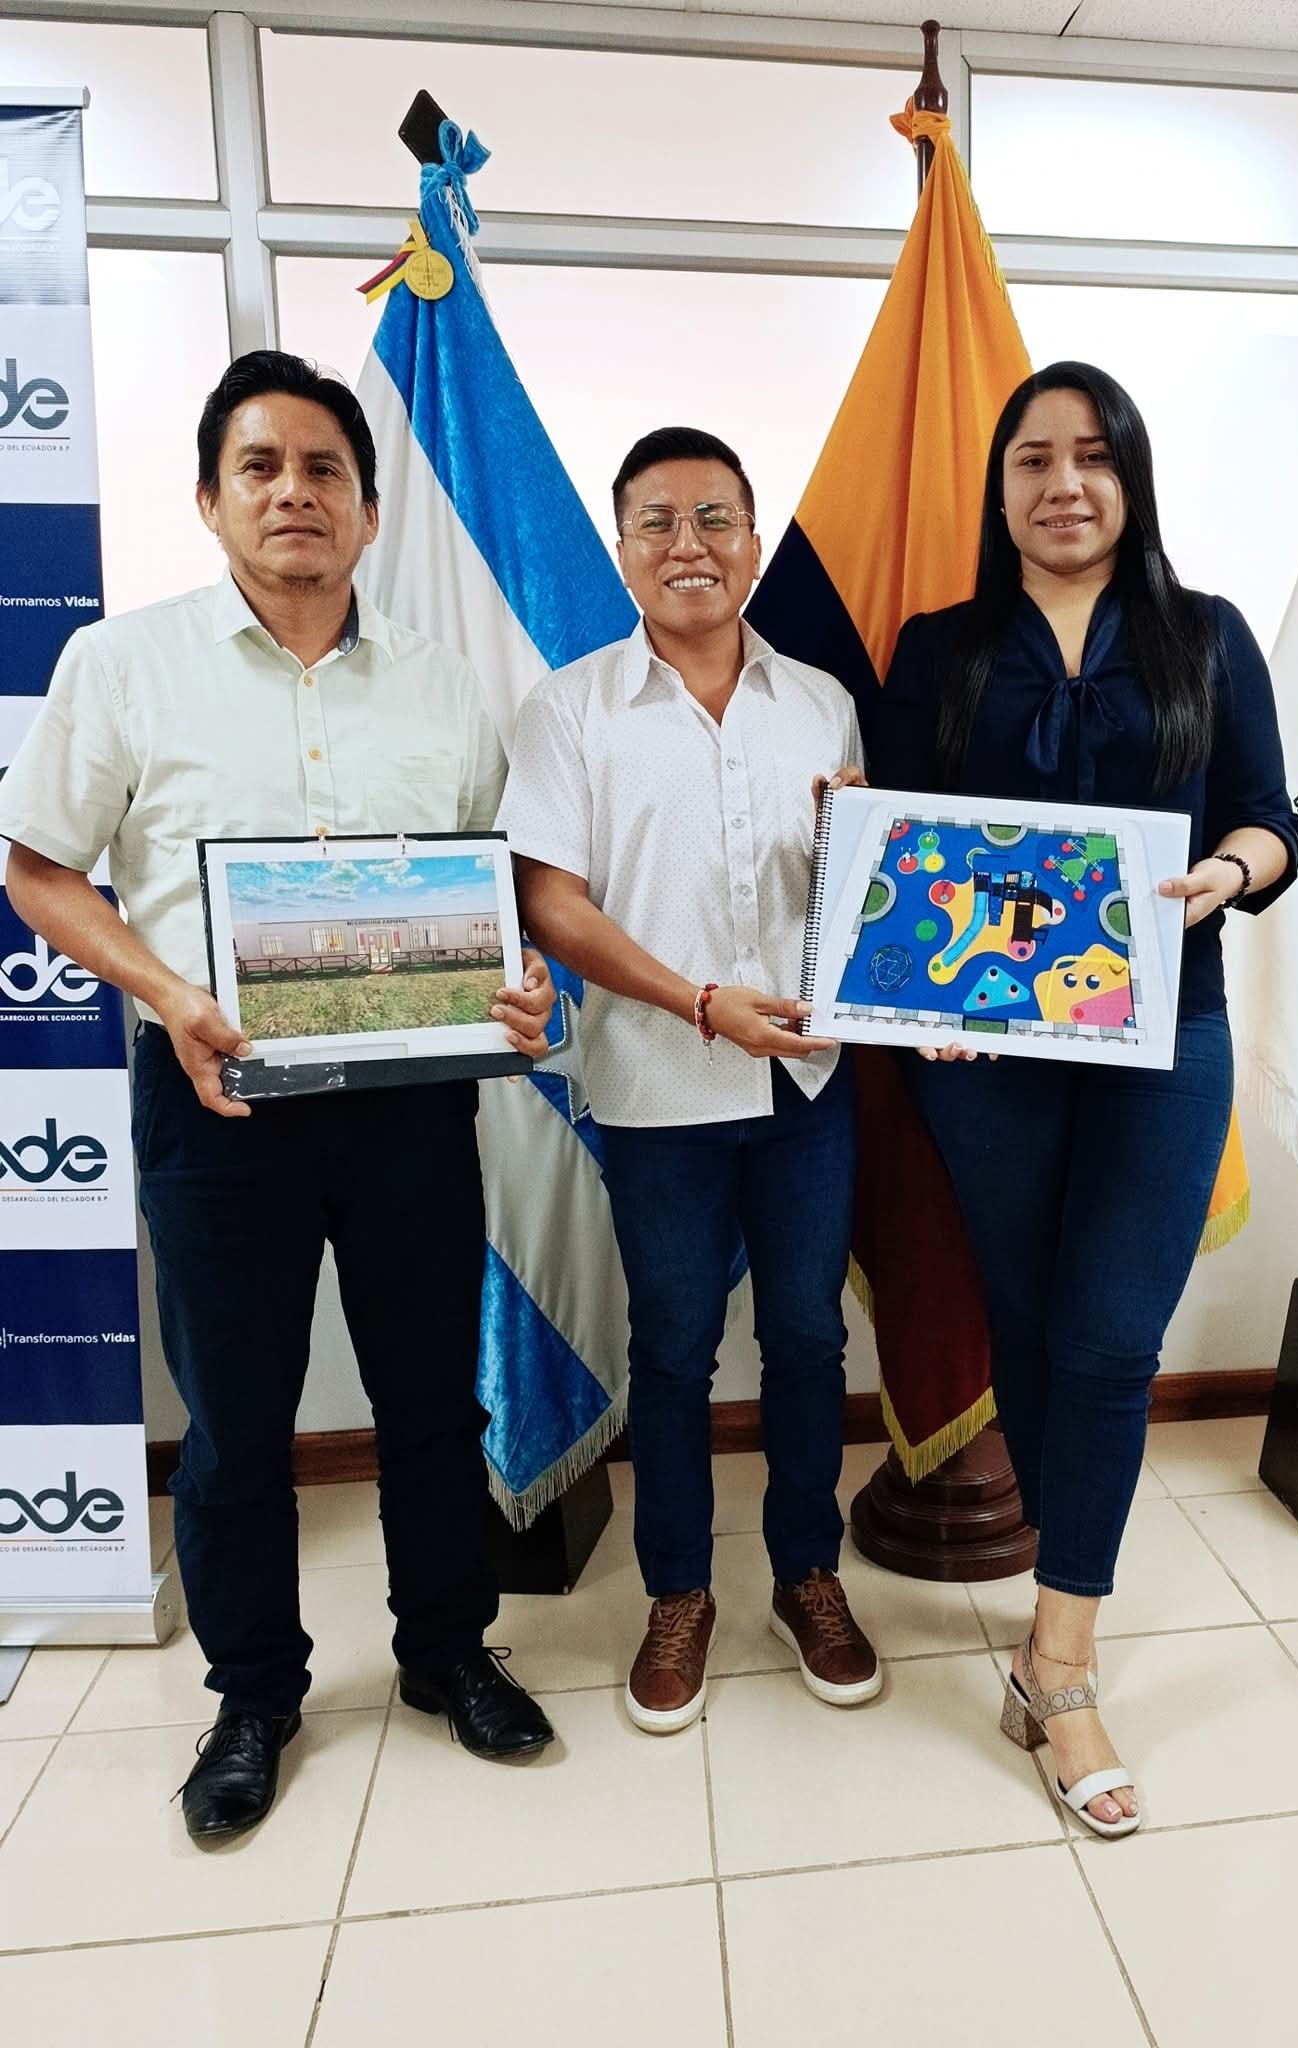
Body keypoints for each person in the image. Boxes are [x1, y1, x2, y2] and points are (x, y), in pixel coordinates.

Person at [0, 351, 555, 1845]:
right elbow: (39, 871)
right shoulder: (122, 665)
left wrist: (515, 985)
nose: (293, 492)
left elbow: (488, 890)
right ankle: (252, 1695)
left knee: (431, 1398)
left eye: (323, 470)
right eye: (260, 466)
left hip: (411, 1105)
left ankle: (448, 1651)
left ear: (369, 512)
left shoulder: (444, 686)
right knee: (236, 1425)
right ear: (210, 498)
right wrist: (171, 993)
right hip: (215, 1099)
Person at [871, 361, 1298, 1837]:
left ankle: (1058, 1668)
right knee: (1030, 1326)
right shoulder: (940, 649)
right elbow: (901, 845)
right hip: (986, 1056)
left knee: (1114, 1338)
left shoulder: (1206, 637)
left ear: (1131, 477)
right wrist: (916, 997)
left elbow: (1269, 818)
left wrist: (1225, 873)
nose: (1063, 484)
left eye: (1092, 455)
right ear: (999, 490)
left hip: (1164, 1034)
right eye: (1033, 460)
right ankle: (1064, 1600)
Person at [499, 426, 880, 1734]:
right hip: (659, 1088)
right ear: (622, 551)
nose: (688, 545)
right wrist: (700, 1004)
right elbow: (551, 902)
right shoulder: (570, 710)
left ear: (754, 541)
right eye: (656, 522)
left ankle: (808, 1575)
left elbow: (861, 893)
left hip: (807, 1089)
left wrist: (854, 847)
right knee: (670, 1350)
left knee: (809, 1342)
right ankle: (678, 1593)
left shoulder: (819, 701)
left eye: (715, 518)